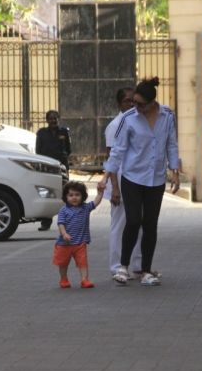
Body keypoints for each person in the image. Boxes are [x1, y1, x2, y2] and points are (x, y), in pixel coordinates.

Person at [104, 77, 180, 286]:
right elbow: (117, 150)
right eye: (133, 102)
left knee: (150, 224)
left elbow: (171, 144)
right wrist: (106, 178)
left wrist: (175, 171)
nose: (135, 107)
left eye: (140, 104)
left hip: (155, 178)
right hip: (132, 176)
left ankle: (146, 270)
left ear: (152, 102)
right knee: (133, 220)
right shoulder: (128, 119)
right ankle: (123, 267)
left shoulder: (167, 115)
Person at [105, 87, 143, 277]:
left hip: (135, 179)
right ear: (120, 103)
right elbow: (111, 158)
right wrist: (115, 189)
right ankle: (116, 266)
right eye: (128, 101)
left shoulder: (137, 121)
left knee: (136, 223)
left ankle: (137, 264)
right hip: (119, 180)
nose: (131, 104)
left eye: (134, 101)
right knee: (120, 224)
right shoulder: (116, 125)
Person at [53, 180, 105, 289]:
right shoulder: (63, 210)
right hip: (64, 243)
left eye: (77, 195)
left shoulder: (85, 208)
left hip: (80, 243)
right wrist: (64, 234)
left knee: (83, 262)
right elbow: (60, 223)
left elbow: (95, 202)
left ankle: (84, 280)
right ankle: (63, 279)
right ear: (66, 197)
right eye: (71, 195)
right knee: (63, 263)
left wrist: (100, 193)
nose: (74, 197)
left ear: (83, 196)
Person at [36, 110, 72, 231]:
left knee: (66, 193)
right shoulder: (41, 133)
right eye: (50, 118)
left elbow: (68, 149)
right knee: (47, 194)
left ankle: (67, 221)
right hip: (47, 167)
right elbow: (38, 151)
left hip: (61, 166)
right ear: (47, 120)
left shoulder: (64, 132)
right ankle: (45, 222)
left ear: (58, 119)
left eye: (55, 118)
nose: (53, 120)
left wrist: (63, 157)